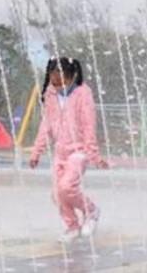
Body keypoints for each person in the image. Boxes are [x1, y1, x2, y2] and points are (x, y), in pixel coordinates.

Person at [29, 57, 108, 243]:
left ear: (72, 75)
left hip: (79, 152)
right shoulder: (50, 94)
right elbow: (46, 124)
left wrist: (94, 155)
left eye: (60, 76)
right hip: (60, 152)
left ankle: (91, 211)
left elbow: (89, 125)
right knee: (57, 194)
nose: (56, 81)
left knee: (66, 187)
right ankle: (72, 225)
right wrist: (36, 152)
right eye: (52, 76)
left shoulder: (82, 93)